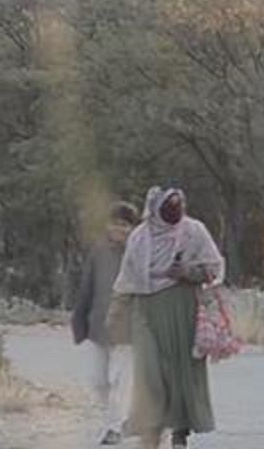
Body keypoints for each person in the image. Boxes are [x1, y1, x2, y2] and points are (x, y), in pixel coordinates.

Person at [111, 187, 224, 449]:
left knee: (182, 372)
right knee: (150, 371)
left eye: (180, 205)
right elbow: (127, 279)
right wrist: (116, 312)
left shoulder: (194, 231)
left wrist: (187, 272)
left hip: (183, 309)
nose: (177, 210)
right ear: (156, 209)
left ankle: (180, 432)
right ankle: (150, 428)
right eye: (170, 206)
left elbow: (214, 269)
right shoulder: (140, 238)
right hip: (146, 310)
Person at [72, 202, 139, 446]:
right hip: (99, 325)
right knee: (98, 380)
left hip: (129, 327)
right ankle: (122, 418)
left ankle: (114, 427)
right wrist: (79, 320)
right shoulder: (98, 250)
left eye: (125, 225)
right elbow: (86, 287)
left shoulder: (140, 252)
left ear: (133, 228)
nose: (119, 229)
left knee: (119, 378)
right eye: (115, 223)